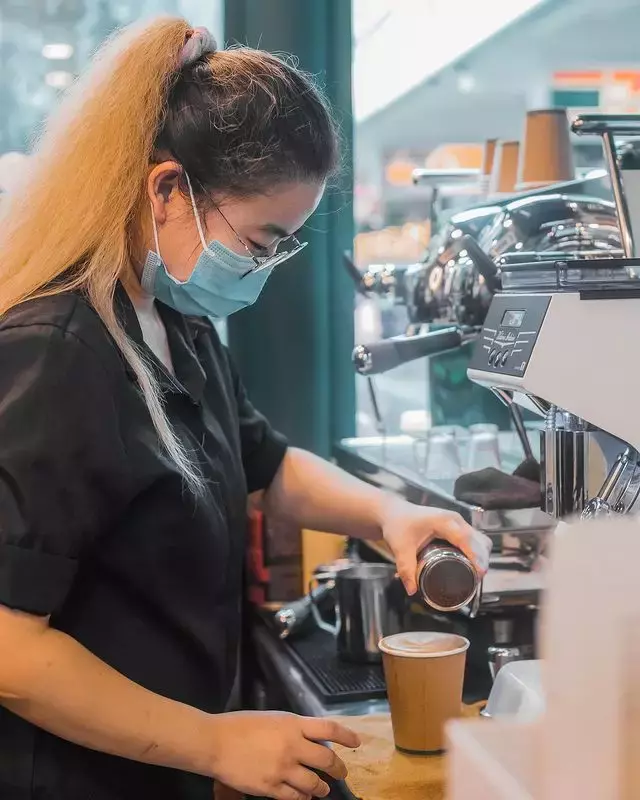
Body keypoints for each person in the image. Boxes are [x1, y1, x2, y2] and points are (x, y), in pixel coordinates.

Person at [0, 17, 492, 800]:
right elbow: (10, 649)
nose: (261, 269)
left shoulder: (174, 321)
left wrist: (389, 515)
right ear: (167, 189)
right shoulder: (58, 352)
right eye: (259, 243)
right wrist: (212, 743)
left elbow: (265, 463)